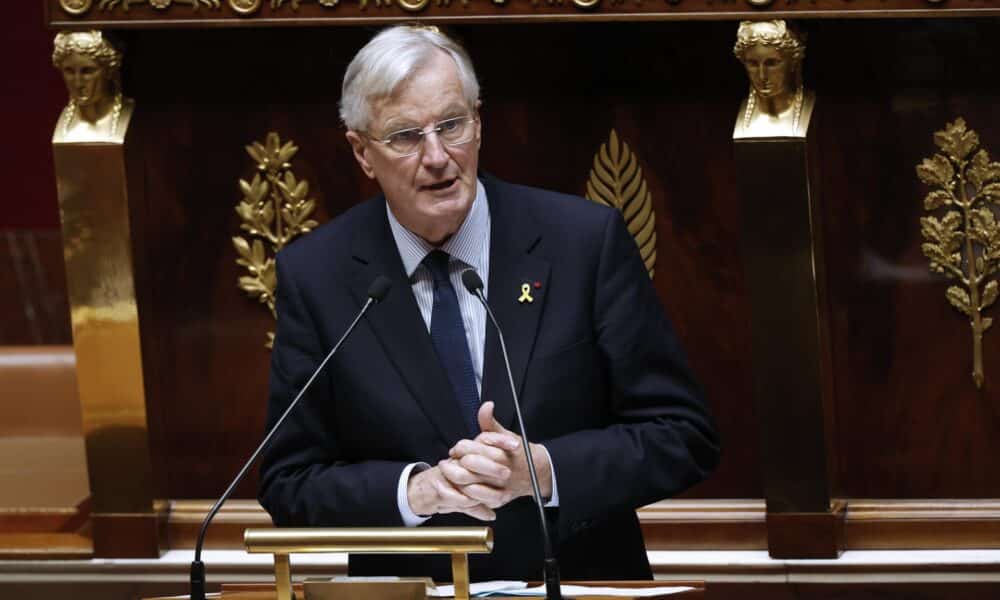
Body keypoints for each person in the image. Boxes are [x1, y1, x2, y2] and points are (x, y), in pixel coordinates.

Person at [258, 24, 719, 582]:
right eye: (405, 136)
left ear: (479, 122)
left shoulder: (581, 242)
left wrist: (544, 472)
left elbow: (682, 435)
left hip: (578, 584)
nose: (436, 157)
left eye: (451, 125)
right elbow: (288, 482)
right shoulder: (319, 275)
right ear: (362, 151)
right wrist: (415, 491)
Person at [732, 20, 815, 138]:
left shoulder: (811, 105)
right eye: (752, 64)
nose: (762, 75)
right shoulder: (737, 114)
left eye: (771, 63)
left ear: (793, 62)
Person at [52, 31, 134, 144]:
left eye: (88, 71)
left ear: (109, 71)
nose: (78, 83)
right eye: (69, 71)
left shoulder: (128, 114)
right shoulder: (65, 125)